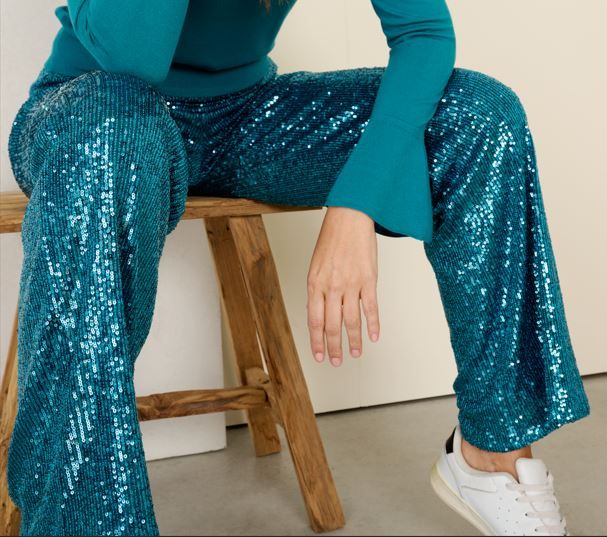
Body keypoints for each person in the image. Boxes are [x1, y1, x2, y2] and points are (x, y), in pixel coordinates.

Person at [5, 0, 590, 535]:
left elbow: (423, 31)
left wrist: (358, 203)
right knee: (111, 133)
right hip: (95, 109)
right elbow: (132, 59)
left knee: (480, 115)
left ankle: (492, 455)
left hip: (244, 115)